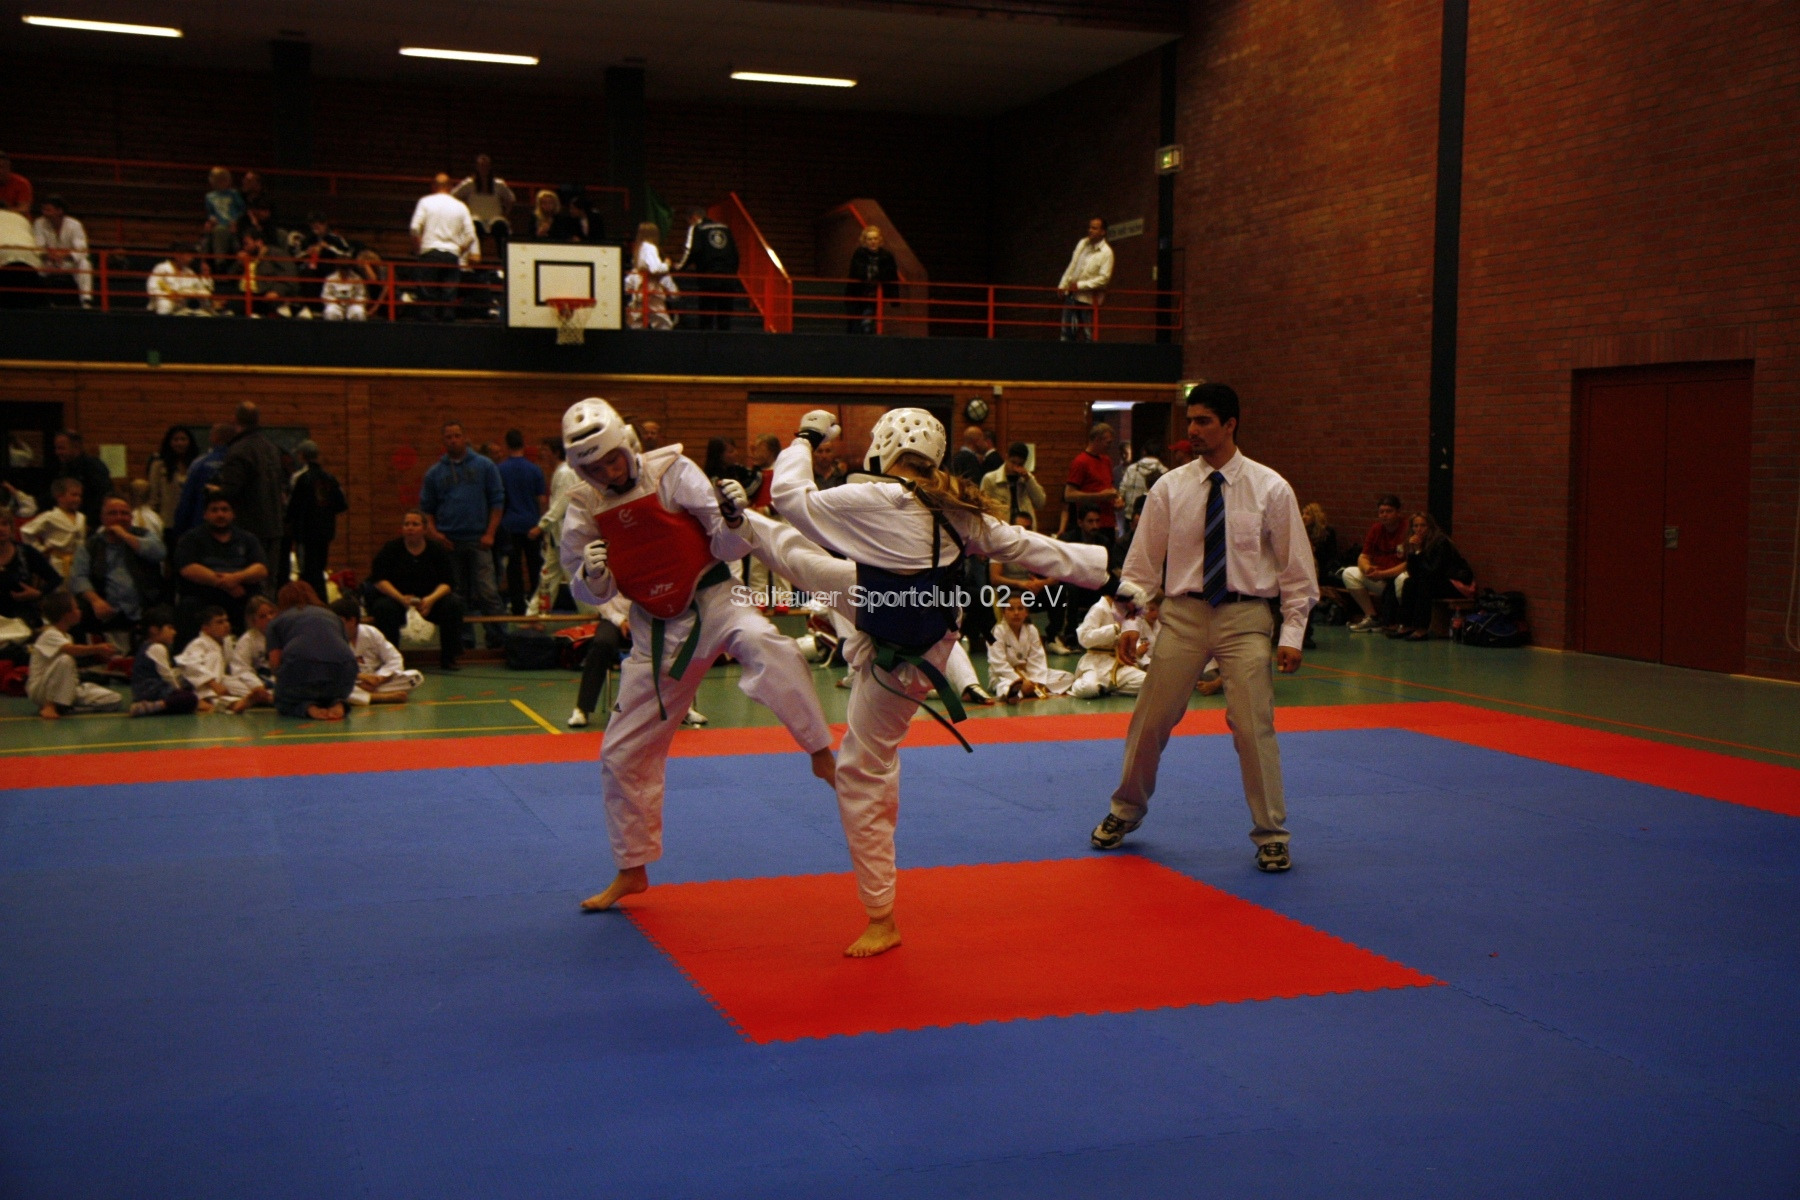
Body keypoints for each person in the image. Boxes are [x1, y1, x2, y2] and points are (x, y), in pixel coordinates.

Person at [770, 406, 1135, 956]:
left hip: (895, 642)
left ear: (884, 447)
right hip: (917, 631)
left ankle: (882, 917)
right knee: (794, 556)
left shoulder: (872, 498)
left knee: (861, 770)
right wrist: (1110, 578)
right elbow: (1028, 545)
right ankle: (733, 524)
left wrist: (804, 438)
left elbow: (788, 495)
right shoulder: (955, 509)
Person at [555, 398, 836, 915]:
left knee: (770, 648)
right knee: (620, 754)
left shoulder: (671, 471)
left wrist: (732, 517)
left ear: (627, 445)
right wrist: (592, 575)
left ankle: (821, 751)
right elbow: (590, 591)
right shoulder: (582, 506)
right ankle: (632, 867)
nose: (607, 473)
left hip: (716, 601)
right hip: (654, 631)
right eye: (594, 468)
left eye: (612, 460)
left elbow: (727, 547)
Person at [1089, 383, 1319, 873]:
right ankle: (1125, 809)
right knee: (1150, 720)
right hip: (1183, 616)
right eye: (1190, 420)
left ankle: (1271, 833)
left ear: (1230, 424)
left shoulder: (1270, 488)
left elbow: (1297, 572)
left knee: (1253, 727)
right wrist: (1130, 620)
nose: (1192, 430)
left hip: (1246, 618)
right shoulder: (1170, 488)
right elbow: (1141, 566)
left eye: (1203, 421)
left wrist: (1292, 634)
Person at [418, 421, 506, 649]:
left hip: (479, 539)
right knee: (456, 593)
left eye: (457, 435)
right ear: (443, 441)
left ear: (465, 437)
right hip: (449, 542)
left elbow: (497, 501)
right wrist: (435, 534)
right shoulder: (435, 473)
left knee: (487, 591)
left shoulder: (485, 466)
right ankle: (463, 638)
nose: (453, 440)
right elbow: (426, 508)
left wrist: (490, 533)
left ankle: (498, 637)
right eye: (449, 437)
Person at [368, 510, 465, 671]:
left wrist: (430, 600)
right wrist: (401, 598)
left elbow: (448, 583)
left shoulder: (437, 550)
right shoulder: (391, 548)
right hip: (399, 600)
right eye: (406, 524)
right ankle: (391, 659)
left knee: (453, 604)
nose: (410, 528)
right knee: (383, 608)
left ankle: (450, 657)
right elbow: (378, 580)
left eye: (415, 524)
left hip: (429, 601)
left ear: (425, 529)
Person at [71, 496, 165, 640]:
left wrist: (125, 535)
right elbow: (79, 577)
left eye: (124, 513)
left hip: (145, 606)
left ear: (131, 517)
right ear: (103, 518)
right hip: (106, 607)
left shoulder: (144, 534)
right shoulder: (90, 545)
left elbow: (159, 553)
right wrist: (96, 601)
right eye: (113, 513)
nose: (119, 517)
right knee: (78, 612)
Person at [172, 496, 269, 635]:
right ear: (205, 514)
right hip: (205, 595)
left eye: (225, 510)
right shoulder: (191, 539)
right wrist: (224, 583)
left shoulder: (248, 539)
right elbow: (188, 569)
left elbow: (261, 569)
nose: (220, 514)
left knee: (262, 605)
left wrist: (236, 578)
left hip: (242, 593)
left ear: (233, 514)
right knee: (189, 606)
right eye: (214, 510)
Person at [212, 401, 287, 580]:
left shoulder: (239, 450)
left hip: (248, 527)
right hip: (274, 526)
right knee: (268, 579)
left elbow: (231, 491)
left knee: (248, 579)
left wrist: (214, 491)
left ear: (234, 419)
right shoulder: (272, 448)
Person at [266, 582, 358, 720]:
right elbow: (344, 650)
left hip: (301, 667)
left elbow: (275, 663)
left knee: (280, 699)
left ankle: (308, 708)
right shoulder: (333, 616)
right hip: (344, 675)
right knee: (328, 691)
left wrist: (284, 682)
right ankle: (337, 702)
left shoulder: (277, 621)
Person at [28, 591, 120, 718]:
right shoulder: (49, 634)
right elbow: (71, 650)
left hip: (66, 688)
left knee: (113, 699)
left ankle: (67, 708)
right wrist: (98, 648)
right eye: (76, 608)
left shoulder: (67, 636)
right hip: (42, 691)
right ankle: (50, 705)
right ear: (66, 615)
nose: (79, 611)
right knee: (65, 659)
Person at [1387, 512, 1474, 640]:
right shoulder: (1416, 543)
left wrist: (1419, 551)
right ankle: (1406, 625)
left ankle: (1422, 628)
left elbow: (1434, 570)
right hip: (1434, 580)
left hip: (1453, 583)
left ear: (1430, 526)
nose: (1419, 529)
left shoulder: (1441, 542)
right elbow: (1413, 572)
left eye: (1423, 525)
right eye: (1415, 526)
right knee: (1409, 582)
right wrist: (1413, 552)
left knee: (1424, 584)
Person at [409, 173, 478, 322]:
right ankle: (448, 322)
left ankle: (427, 324)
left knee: (427, 296)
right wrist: (459, 250)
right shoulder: (460, 206)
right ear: (451, 187)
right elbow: (470, 235)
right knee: (449, 295)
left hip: (429, 252)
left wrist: (418, 248)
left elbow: (414, 228)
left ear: (433, 186)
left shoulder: (425, 202)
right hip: (451, 254)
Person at [285, 440, 346, 601]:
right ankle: (320, 601)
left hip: (305, 533)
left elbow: (292, 507)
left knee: (307, 570)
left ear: (302, 456)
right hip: (325, 532)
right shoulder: (330, 478)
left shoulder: (301, 478)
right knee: (319, 568)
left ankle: (312, 601)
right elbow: (341, 504)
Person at [332, 595, 421, 705]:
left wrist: (379, 678)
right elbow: (332, 671)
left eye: (338, 621)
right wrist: (359, 677)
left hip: (377, 682)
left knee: (415, 677)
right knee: (332, 687)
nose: (334, 625)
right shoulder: (332, 639)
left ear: (352, 620)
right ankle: (378, 697)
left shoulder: (371, 633)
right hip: (352, 683)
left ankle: (362, 696)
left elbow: (395, 659)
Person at [496, 429, 548, 616]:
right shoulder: (534, 469)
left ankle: (518, 607)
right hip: (532, 524)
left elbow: (497, 500)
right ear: (524, 444)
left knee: (513, 568)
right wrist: (542, 525)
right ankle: (536, 605)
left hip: (509, 525)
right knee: (536, 567)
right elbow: (542, 499)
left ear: (506, 445)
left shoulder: (500, 470)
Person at [987, 591, 1073, 703]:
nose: (1016, 613)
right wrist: (1020, 681)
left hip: (1029, 674)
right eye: (1011, 609)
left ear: (1026, 612)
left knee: (1067, 677)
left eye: (1020, 609)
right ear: (1004, 612)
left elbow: (1037, 659)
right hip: (1006, 676)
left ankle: (1026, 690)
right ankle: (1018, 691)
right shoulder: (997, 632)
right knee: (1005, 687)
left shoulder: (1031, 630)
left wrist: (1034, 681)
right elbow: (999, 664)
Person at [1069, 594, 1159, 699]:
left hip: (1119, 664)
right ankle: (1083, 683)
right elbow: (1084, 638)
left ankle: (1106, 688)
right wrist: (1114, 628)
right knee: (1088, 688)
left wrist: (1137, 649)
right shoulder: (1099, 608)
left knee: (1150, 683)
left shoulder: (1125, 611)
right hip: (1096, 663)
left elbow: (1130, 637)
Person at [1342, 494, 1408, 632]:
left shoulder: (1407, 529)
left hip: (1398, 579)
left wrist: (1383, 574)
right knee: (1349, 573)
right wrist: (1367, 569)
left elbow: (1408, 563)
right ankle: (1372, 617)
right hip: (1380, 579)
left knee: (1403, 579)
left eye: (1389, 511)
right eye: (1381, 512)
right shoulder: (1376, 529)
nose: (1384, 515)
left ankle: (1404, 620)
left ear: (1398, 512)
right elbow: (1363, 557)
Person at [128, 606, 207, 717]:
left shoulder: (147, 645)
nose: (174, 632)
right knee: (190, 698)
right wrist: (180, 693)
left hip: (145, 691)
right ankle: (150, 707)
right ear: (154, 630)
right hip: (151, 691)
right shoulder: (157, 648)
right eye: (170, 628)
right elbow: (167, 677)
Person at [567, 595, 632, 727]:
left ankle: (671, 708)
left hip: (645, 620)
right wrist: (621, 620)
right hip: (613, 619)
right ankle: (582, 709)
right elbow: (601, 599)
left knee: (662, 646)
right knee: (601, 644)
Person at [673, 207, 738, 330]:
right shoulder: (725, 228)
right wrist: (733, 272)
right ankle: (725, 339)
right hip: (728, 276)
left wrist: (680, 267)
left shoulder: (697, 228)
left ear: (693, 218)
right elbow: (735, 253)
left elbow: (692, 250)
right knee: (725, 314)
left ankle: (706, 339)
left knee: (707, 312)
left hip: (708, 275)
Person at [0, 510, 60, 639]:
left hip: (22, 615)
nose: (1, 529)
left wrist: (38, 593)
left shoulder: (26, 552)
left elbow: (55, 579)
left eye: (4, 524)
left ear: (11, 527)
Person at [176, 605, 247, 711]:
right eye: (220, 622)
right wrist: (214, 684)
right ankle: (209, 700)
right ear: (206, 628)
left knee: (245, 688)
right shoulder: (199, 643)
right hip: (198, 686)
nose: (226, 625)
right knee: (214, 656)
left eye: (226, 620)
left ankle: (250, 698)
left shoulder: (227, 642)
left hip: (220, 680)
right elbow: (190, 666)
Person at [172, 423, 233, 540]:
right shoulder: (239, 462)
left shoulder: (199, 464)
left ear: (214, 438)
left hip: (201, 524)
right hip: (232, 528)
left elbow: (187, 499)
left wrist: (179, 530)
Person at [1063, 421, 1121, 544]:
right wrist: (1099, 496)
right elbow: (1069, 495)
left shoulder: (1106, 460)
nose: (1110, 446)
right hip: (1090, 524)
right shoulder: (1081, 462)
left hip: (1108, 522)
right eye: (1108, 442)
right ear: (1097, 440)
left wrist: (1117, 499)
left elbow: (1108, 487)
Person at [1058, 217, 1114, 342]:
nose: (1090, 230)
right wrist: (1063, 284)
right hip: (1072, 295)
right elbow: (1073, 265)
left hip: (1088, 299)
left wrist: (1080, 285)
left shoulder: (1107, 253)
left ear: (1103, 232)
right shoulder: (1083, 244)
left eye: (1094, 228)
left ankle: (1090, 354)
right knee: (1066, 332)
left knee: (1089, 334)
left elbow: (1104, 279)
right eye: (1090, 227)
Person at [48, 429, 113, 532]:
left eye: (61, 448)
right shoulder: (62, 469)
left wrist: (90, 523)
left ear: (76, 446)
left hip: (90, 526)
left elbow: (103, 496)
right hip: (67, 523)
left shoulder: (93, 467)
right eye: (56, 448)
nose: (57, 452)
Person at [21, 477, 86, 577]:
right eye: (74, 495)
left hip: (77, 562)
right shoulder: (50, 516)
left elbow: (81, 540)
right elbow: (26, 531)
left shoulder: (81, 517)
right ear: (59, 496)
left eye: (79, 495)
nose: (78, 499)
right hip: (57, 562)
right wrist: (40, 549)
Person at [32, 195, 91, 306]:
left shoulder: (75, 225)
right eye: (43, 209)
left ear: (59, 211)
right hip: (48, 261)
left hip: (68, 262)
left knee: (84, 264)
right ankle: (41, 302)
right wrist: (49, 255)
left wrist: (63, 256)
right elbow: (39, 246)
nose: (44, 213)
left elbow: (81, 249)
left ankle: (86, 300)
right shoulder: (39, 223)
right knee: (34, 263)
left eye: (48, 210)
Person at [453, 156, 516, 253]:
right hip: (476, 218)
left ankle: (503, 256)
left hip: (494, 219)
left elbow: (511, 199)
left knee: (501, 225)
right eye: (481, 166)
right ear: (477, 167)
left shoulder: (498, 184)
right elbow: (453, 195)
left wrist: (506, 213)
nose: (483, 169)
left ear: (490, 167)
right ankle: (475, 255)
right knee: (474, 226)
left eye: (486, 166)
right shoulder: (469, 184)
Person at [844, 225, 899, 334]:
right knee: (855, 325)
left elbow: (892, 276)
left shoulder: (887, 256)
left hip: (874, 295)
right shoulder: (859, 254)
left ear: (879, 240)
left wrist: (894, 298)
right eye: (869, 239)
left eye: (875, 238)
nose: (873, 242)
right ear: (865, 241)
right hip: (857, 294)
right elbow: (856, 273)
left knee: (867, 324)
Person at [231, 226, 296, 317]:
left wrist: (277, 291)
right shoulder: (245, 256)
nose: (244, 248)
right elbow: (230, 277)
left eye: (247, 244)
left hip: (263, 294)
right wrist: (239, 264)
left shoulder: (275, 254)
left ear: (259, 242)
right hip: (242, 294)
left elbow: (289, 275)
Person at [980, 442, 1047, 525]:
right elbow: (983, 507)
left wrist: (1028, 480)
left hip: (1024, 526)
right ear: (1006, 457)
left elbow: (1040, 503)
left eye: (1020, 464)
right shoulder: (990, 479)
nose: (1015, 467)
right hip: (1002, 526)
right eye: (1013, 462)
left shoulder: (1027, 478)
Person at [145, 426, 197, 532]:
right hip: (167, 521)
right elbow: (154, 495)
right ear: (169, 442)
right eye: (175, 440)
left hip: (191, 520)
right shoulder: (159, 465)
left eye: (183, 439)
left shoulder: (196, 464)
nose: (179, 443)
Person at [626, 222, 676, 331]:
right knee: (662, 320)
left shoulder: (639, 248)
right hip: (650, 286)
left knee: (637, 319)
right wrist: (666, 264)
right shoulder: (649, 247)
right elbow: (655, 268)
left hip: (640, 285)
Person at [202, 167, 245, 274]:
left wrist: (236, 221)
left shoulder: (234, 194)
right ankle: (219, 263)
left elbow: (242, 210)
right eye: (218, 180)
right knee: (218, 231)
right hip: (219, 225)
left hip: (233, 224)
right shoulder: (209, 196)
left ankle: (238, 264)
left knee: (231, 235)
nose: (221, 183)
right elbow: (210, 213)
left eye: (223, 180)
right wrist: (211, 219)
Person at [1118, 438, 1167, 517]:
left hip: (1131, 516)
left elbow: (1122, 490)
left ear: (1144, 452)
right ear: (1161, 454)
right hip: (1153, 516)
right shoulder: (1164, 471)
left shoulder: (1131, 468)